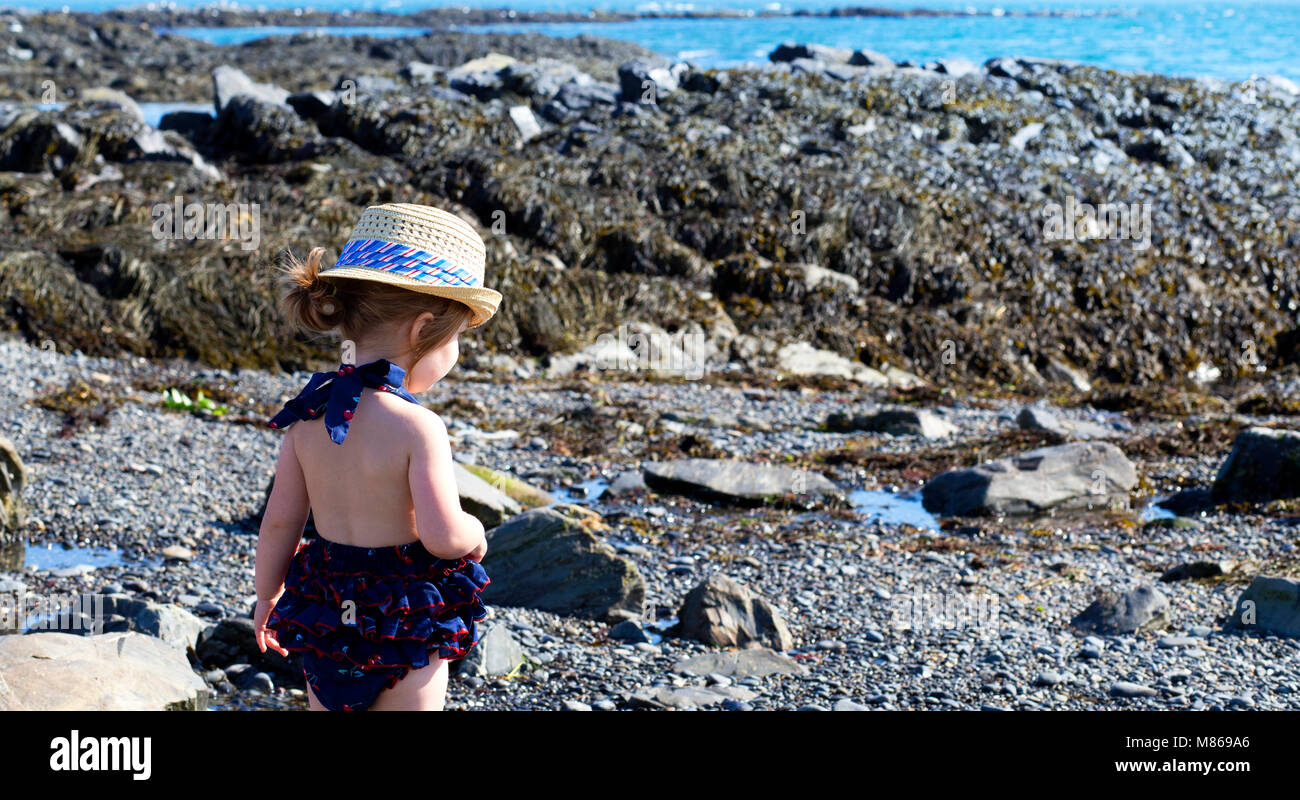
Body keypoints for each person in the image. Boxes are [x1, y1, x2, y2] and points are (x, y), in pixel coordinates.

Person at [252, 202, 503, 711]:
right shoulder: (418, 427)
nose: (456, 352)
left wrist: (266, 596)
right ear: (423, 328)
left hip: (323, 609)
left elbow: (280, 523)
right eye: (457, 338)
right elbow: (442, 536)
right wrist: (474, 530)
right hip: (403, 613)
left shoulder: (307, 417)